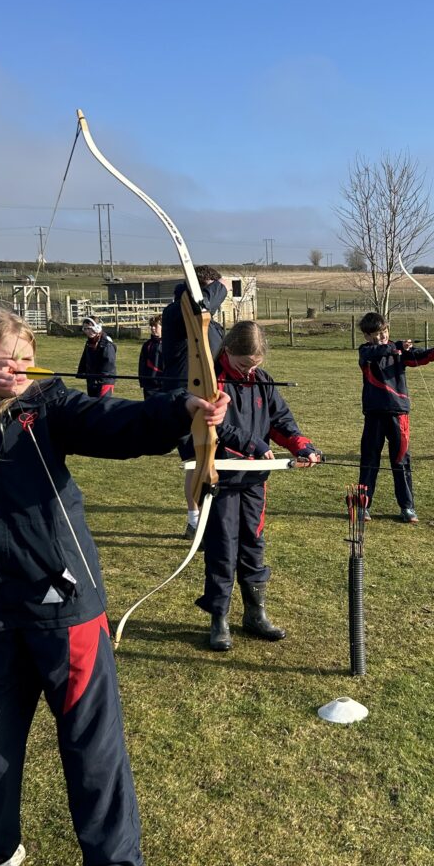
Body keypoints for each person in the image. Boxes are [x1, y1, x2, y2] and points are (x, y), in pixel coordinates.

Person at [0, 305, 228, 866]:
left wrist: (182, 411)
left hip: (64, 602)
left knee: (89, 738)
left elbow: (115, 421)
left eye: (26, 356)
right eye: (6, 359)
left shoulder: (47, 405)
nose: (19, 368)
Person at [190, 320, 321, 651]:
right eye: (244, 364)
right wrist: (254, 446)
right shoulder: (211, 381)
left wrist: (301, 445)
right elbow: (217, 429)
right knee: (223, 548)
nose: (250, 371)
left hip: (254, 481)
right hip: (220, 478)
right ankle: (218, 617)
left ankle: (254, 614)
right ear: (229, 351)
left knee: (253, 542)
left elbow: (280, 421)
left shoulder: (261, 381)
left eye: (256, 365)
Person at [357, 312, 434, 523]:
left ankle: (407, 507)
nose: (381, 337)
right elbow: (376, 353)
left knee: (401, 461)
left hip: (398, 413)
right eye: (375, 335)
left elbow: (422, 356)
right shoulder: (366, 351)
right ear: (366, 336)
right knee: (369, 460)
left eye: (384, 333)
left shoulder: (398, 350)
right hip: (374, 413)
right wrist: (396, 346)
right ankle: (363, 506)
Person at [160, 266, 227, 537]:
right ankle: (194, 519)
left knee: (211, 456)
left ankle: (210, 516)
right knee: (196, 458)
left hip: (209, 396)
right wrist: (221, 285)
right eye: (212, 288)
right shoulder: (177, 311)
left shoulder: (206, 318)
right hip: (184, 397)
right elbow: (203, 304)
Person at [78, 317, 117, 397]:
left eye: (89, 328)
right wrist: (82, 372)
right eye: (85, 329)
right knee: (93, 406)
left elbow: (108, 364)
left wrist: (100, 380)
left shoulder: (106, 343)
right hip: (92, 380)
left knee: (101, 406)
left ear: (97, 328)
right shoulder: (89, 342)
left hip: (104, 381)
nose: (87, 331)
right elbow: (85, 358)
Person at [137, 314, 165, 398]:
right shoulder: (147, 345)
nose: (152, 328)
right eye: (151, 326)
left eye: (155, 326)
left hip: (164, 385)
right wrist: (143, 381)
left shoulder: (169, 345)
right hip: (150, 386)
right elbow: (142, 364)